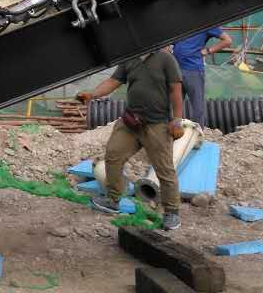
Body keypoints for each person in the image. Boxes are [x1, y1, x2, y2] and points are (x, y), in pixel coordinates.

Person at [77, 49, 185, 230]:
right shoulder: (130, 58)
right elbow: (113, 82)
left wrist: (177, 120)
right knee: (113, 154)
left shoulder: (165, 58)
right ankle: (113, 200)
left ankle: (172, 212)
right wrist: (92, 94)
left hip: (157, 124)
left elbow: (176, 89)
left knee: (164, 168)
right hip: (131, 122)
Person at [171, 27, 233, 128]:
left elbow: (227, 40)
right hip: (175, 69)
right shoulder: (180, 24)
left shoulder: (205, 24)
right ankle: (175, 132)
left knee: (197, 106)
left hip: (193, 70)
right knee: (174, 105)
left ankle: (198, 134)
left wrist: (208, 50)